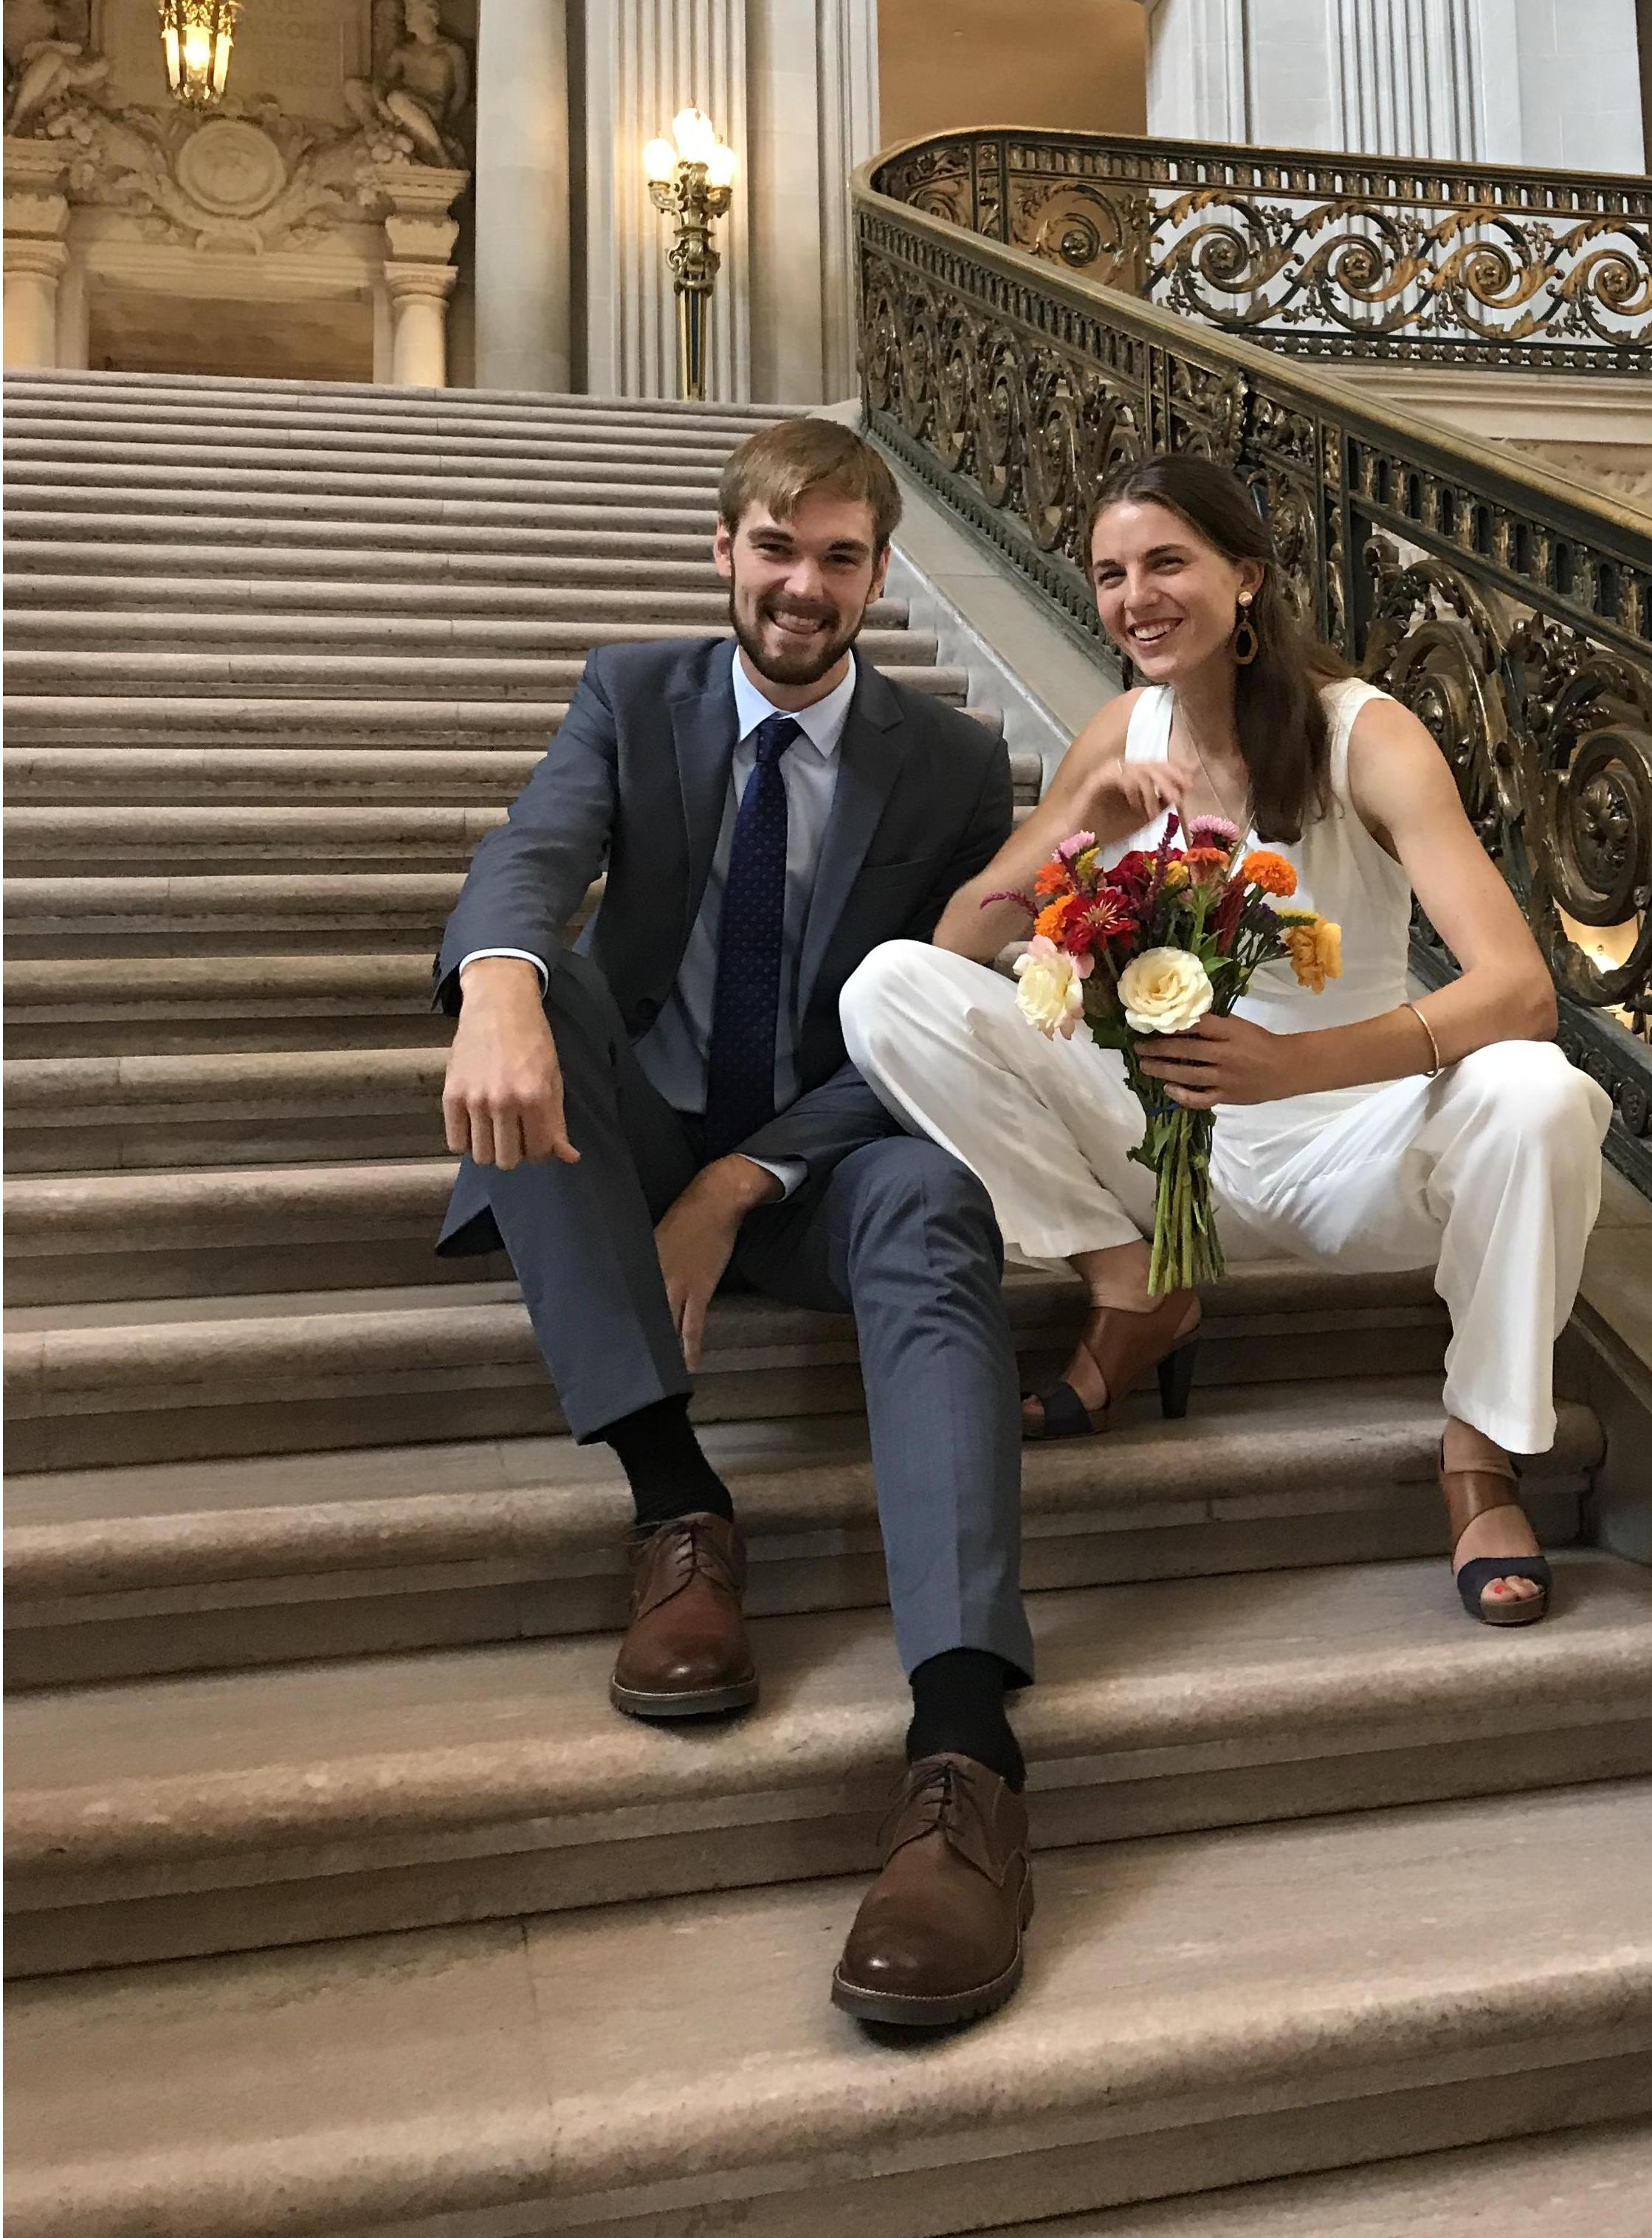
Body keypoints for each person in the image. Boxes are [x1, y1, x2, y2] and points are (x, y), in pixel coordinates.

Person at [433, 419, 1034, 2028]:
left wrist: (739, 1183)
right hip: (628, 1136)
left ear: (879, 574)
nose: (804, 586)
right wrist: (496, 982)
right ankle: (677, 1506)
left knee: (938, 1194)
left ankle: (965, 1745)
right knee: (541, 990)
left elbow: (940, 1020)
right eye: (777, 549)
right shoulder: (634, 696)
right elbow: (533, 852)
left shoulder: (952, 762)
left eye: (841, 557)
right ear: (724, 552)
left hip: (820, 1164)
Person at [842, 453, 1611, 1628]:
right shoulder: (1123, 729)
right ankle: (1133, 1280)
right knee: (888, 986)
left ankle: (1481, 1455)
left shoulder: (1366, 734)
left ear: (1246, 575)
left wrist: (1292, 1065)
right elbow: (955, 942)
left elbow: (1518, 991)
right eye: (1110, 574)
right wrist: (1075, 828)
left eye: (1166, 563)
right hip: (1157, 1148)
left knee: (1539, 1092)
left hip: (1344, 1147)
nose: (1134, 597)